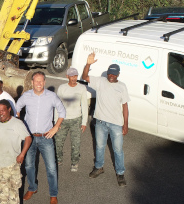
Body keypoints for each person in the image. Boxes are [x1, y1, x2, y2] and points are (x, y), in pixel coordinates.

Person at [16, 71, 65, 204]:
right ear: (32, 82)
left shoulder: (51, 96)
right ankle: (32, 188)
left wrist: (56, 127)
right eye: (36, 81)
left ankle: (53, 194)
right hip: (30, 137)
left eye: (41, 81)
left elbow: (62, 111)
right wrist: (19, 124)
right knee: (29, 165)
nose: (38, 83)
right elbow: (16, 108)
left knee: (51, 168)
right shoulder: (26, 96)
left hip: (46, 136)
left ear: (44, 82)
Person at [82, 53, 130, 186]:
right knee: (100, 146)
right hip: (100, 122)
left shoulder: (122, 86)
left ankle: (120, 173)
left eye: (114, 74)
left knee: (118, 149)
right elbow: (85, 76)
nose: (111, 76)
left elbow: (125, 106)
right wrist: (88, 64)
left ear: (118, 74)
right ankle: (99, 167)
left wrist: (125, 124)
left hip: (116, 124)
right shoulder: (101, 81)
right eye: (109, 73)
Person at [0, 100, 32, 204]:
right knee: (0, 188)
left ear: (9, 109)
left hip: (12, 162)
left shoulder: (17, 123)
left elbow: (28, 138)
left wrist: (22, 154)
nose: (0, 113)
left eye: (3, 110)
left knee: (13, 189)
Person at [54, 67, 90, 172]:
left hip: (76, 120)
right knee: (58, 142)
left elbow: (84, 105)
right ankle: (59, 159)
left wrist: (84, 122)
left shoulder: (82, 88)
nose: (74, 78)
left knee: (76, 143)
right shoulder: (62, 88)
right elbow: (57, 105)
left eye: (75, 76)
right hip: (62, 120)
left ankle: (75, 162)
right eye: (71, 76)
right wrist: (56, 121)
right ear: (67, 77)